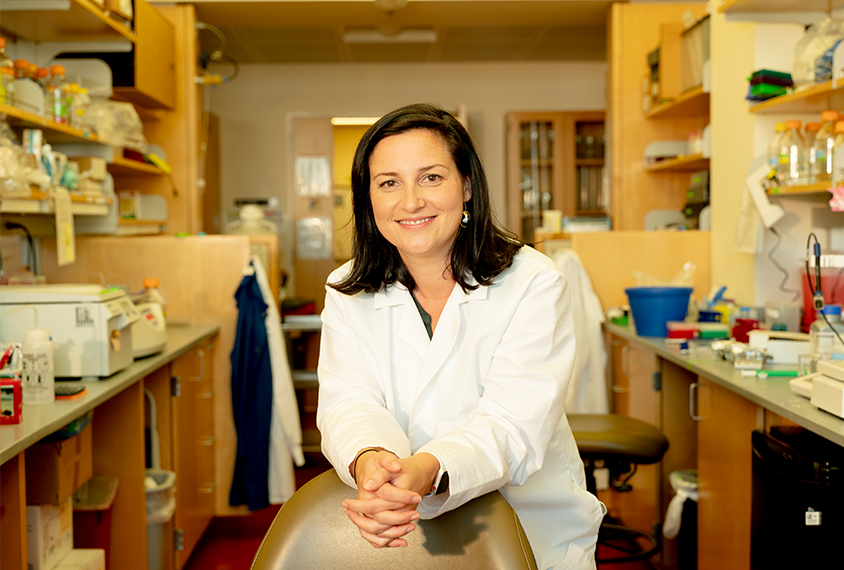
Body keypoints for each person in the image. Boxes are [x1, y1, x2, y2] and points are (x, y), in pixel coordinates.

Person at [317, 103, 605, 569]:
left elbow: (511, 423)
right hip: (399, 532)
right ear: (368, 198)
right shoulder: (347, 288)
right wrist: (373, 462)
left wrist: (428, 468)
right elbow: (348, 401)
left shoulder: (532, 281)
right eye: (389, 182)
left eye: (431, 177)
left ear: (467, 185)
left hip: (527, 527)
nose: (410, 201)